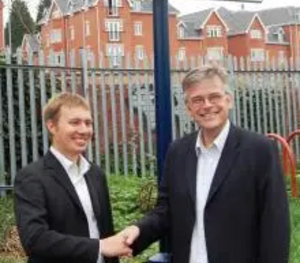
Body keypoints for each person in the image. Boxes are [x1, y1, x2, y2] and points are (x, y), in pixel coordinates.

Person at [121, 63, 290, 263]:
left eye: (214, 97)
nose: (207, 105)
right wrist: (137, 231)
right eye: (198, 100)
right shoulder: (178, 151)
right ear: (189, 108)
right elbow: (165, 211)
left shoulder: (259, 150)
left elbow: (275, 223)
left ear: (229, 100)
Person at [14, 92, 131, 263]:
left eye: (88, 123)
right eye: (74, 122)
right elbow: (35, 239)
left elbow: (106, 234)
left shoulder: (95, 174)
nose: (84, 130)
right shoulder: (31, 177)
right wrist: (99, 247)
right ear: (52, 126)